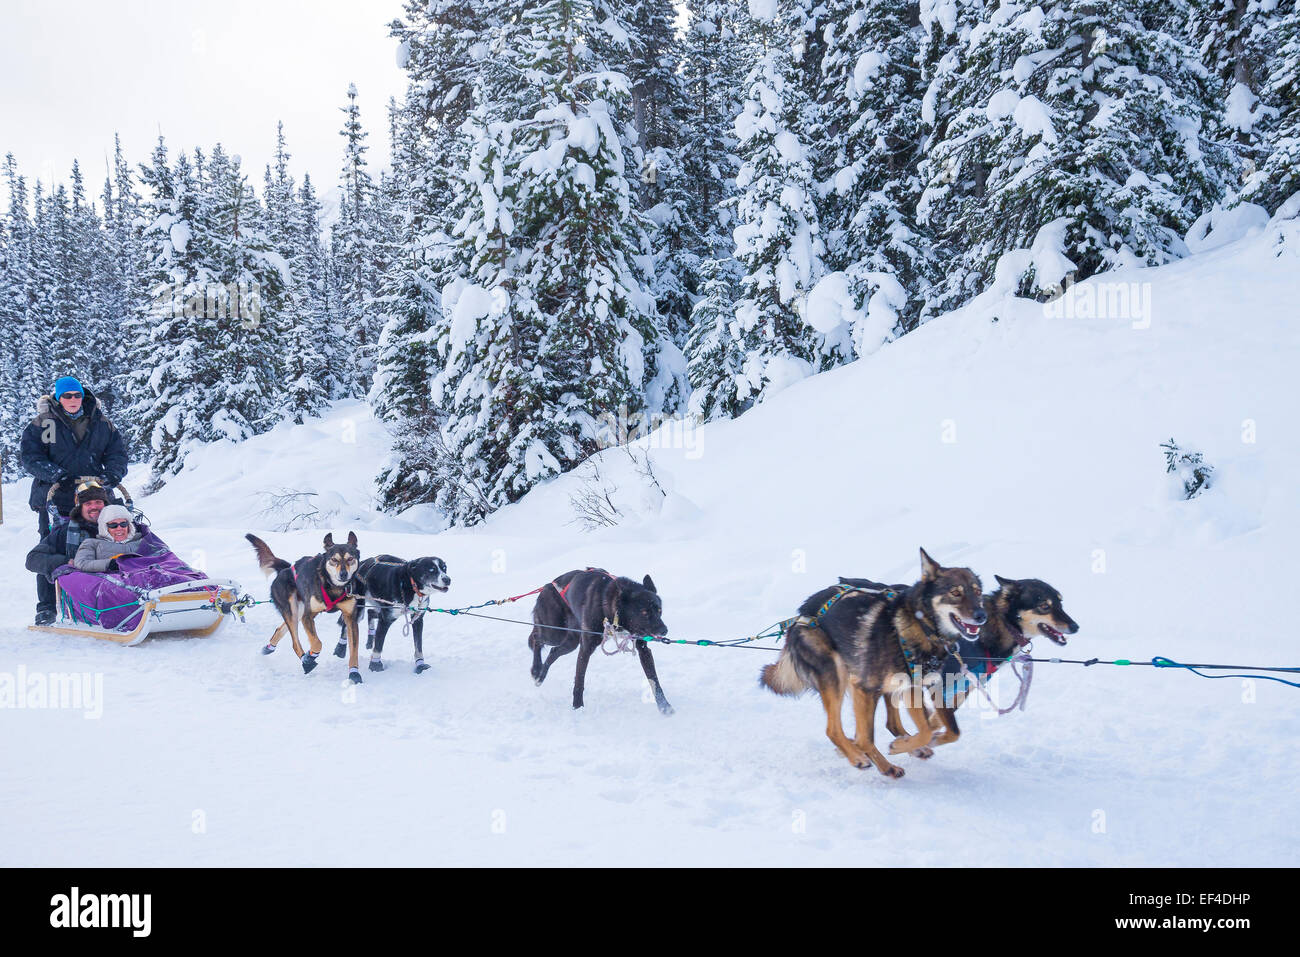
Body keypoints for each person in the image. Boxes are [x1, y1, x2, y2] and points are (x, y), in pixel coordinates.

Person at [20, 376, 129, 623]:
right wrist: (56, 474)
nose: (72, 400)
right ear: (58, 397)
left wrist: (112, 474)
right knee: (51, 546)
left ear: (83, 396)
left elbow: (117, 454)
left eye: (76, 395)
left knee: (108, 541)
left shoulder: (101, 423)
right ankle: (46, 607)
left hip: (95, 495)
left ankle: (111, 597)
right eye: (67, 396)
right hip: (56, 495)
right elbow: (30, 457)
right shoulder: (42, 424)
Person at [25, 482, 111, 624]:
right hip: (82, 588)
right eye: (88, 503)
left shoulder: (120, 526)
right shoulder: (65, 532)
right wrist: (66, 562)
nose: (94, 507)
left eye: (98, 502)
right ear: (80, 508)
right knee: (49, 563)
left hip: (115, 584)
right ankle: (46, 608)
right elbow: (33, 559)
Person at [71, 504, 144, 573]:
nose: (119, 528)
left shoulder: (142, 540)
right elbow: (81, 563)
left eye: (123, 524)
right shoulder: (92, 543)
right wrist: (110, 564)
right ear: (104, 527)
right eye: (113, 525)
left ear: (129, 526)